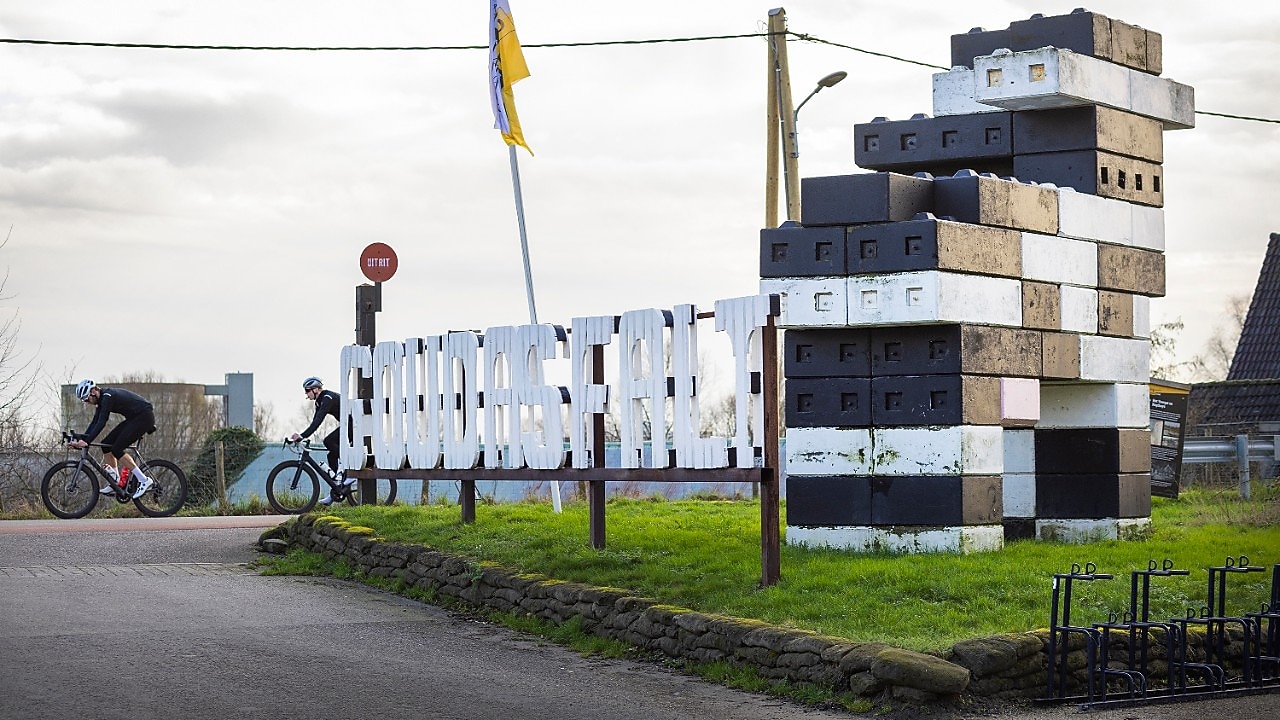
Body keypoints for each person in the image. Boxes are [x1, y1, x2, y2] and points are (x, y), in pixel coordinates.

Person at [69, 379, 156, 499]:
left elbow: (102, 422)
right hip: (134, 418)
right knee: (106, 445)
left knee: (117, 449)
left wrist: (87, 441)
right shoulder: (102, 400)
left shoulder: (108, 396)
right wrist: (81, 438)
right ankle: (116, 483)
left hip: (143, 417)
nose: (87, 402)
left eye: (87, 398)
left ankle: (144, 480)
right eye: (84, 400)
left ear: (94, 391)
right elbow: (94, 422)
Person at [290, 376, 354, 505]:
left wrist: (302, 436)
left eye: (307, 390)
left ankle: (350, 471)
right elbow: (314, 422)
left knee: (328, 442)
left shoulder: (327, 398)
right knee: (331, 455)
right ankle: (337, 488)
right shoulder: (319, 402)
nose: (306, 394)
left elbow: (318, 421)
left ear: (316, 389)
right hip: (348, 424)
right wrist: (303, 436)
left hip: (355, 424)